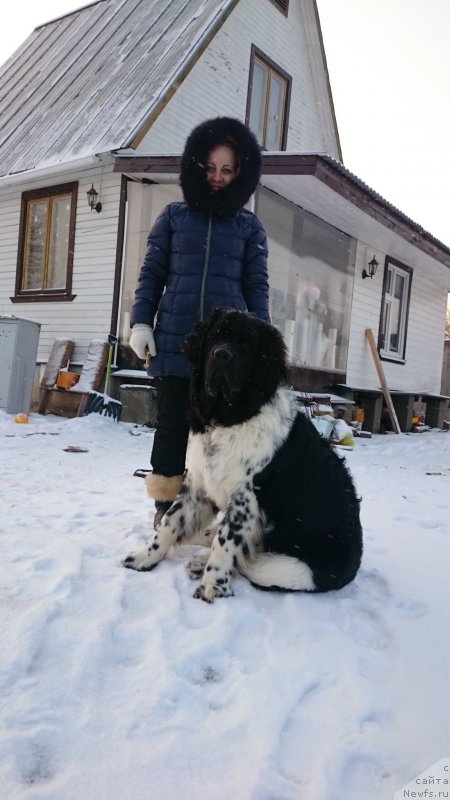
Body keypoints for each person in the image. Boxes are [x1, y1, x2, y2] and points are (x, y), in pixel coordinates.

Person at [129, 116, 270, 529]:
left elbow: (256, 287)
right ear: (196, 166)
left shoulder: (249, 228)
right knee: (172, 422)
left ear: (240, 174)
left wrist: (261, 341)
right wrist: (141, 323)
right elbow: (152, 274)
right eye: (210, 168)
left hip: (225, 351)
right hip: (175, 338)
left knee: (220, 433)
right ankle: (166, 505)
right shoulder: (173, 217)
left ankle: (212, 504)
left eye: (227, 170)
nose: (217, 177)